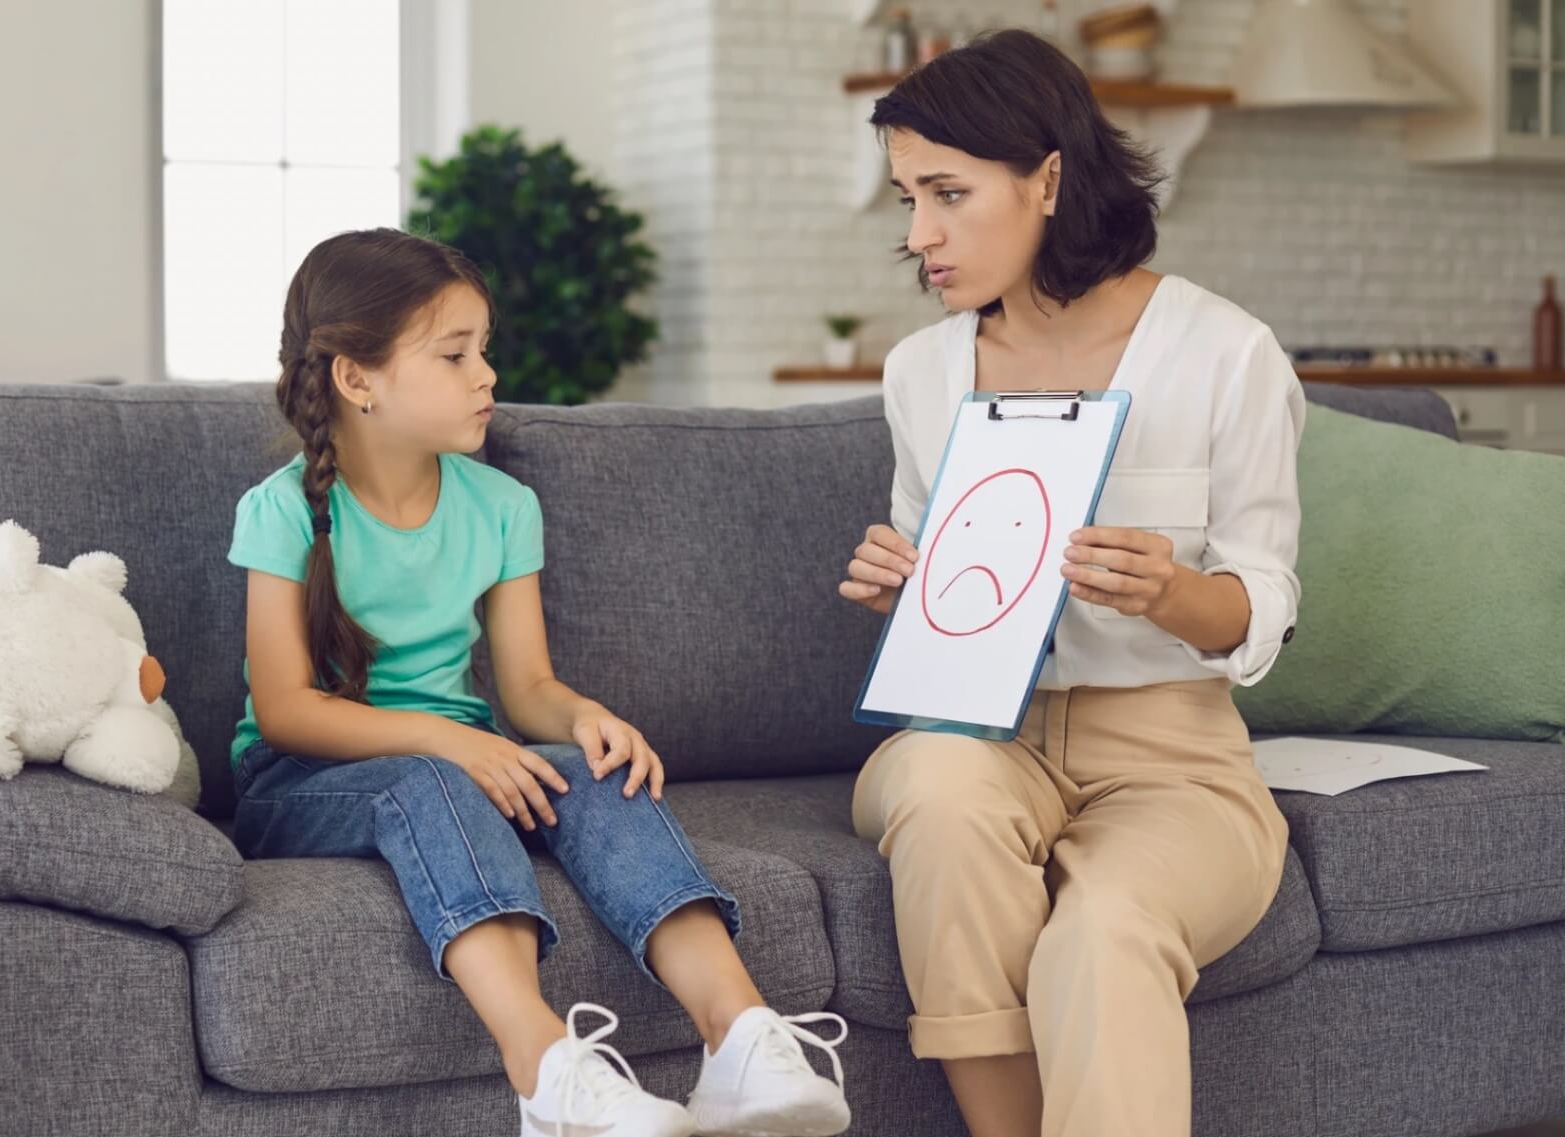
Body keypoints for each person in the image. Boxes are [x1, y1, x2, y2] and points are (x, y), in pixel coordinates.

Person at [231, 228, 850, 1137]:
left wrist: (585, 717)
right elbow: (286, 710)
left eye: (485, 349)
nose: (486, 375)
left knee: (589, 769)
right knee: (433, 777)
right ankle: (549, 1076)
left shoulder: (502, 506)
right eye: (453, 355)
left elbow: (526, 689)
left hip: (470, 761)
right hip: (300, 783)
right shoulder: (281, 509)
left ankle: (742, 1042)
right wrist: (451, 739)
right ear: (357, 380)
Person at [839, 30, 1303, 1137]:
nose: (919, 236)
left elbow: (1261, 603)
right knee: (937, 799)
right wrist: (900, 586)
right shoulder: (921, 372)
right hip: (977, 735)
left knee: (1101, 929)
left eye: (947, 194)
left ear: (1046, 177)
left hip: (1174, 762)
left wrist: (1167, 592)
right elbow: (948, 597)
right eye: (907, 198)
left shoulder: (1223, 354)